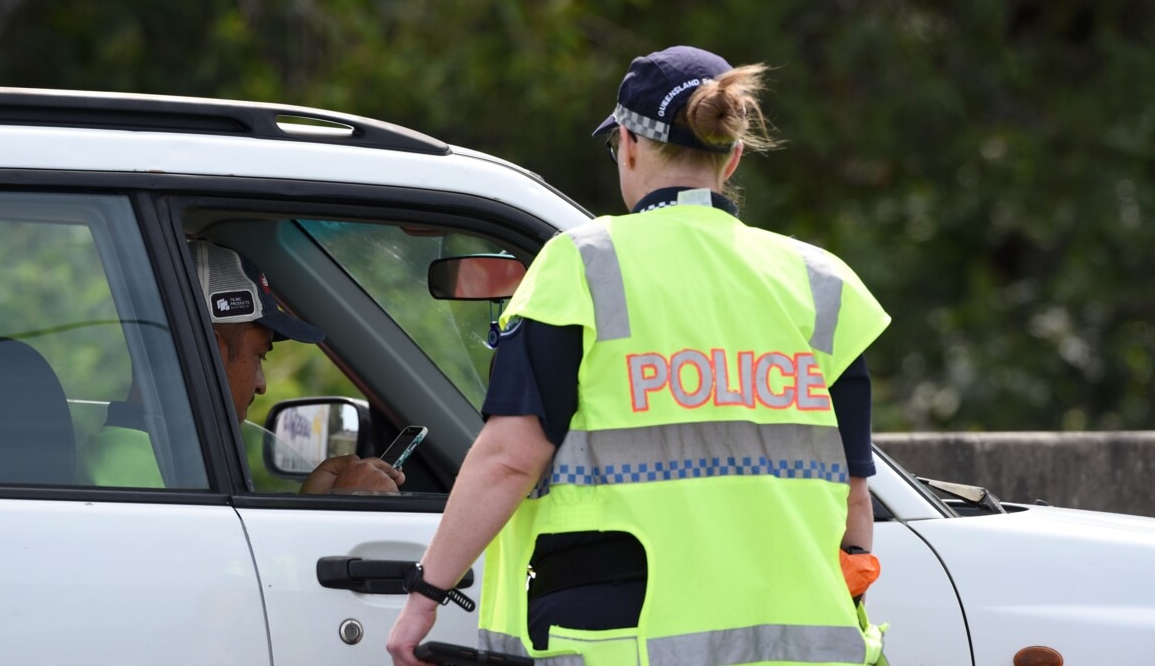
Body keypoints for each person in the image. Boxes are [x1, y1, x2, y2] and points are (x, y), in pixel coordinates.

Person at [387, 45, 890, 665]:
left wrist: (425, 593)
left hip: (624, 641)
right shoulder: (820, 282)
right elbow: (855, 498)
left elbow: (509, 459)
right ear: (731, 158)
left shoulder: (584, 265)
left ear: (626, 144)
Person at [82, 240, 403, 494]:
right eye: (259, 355)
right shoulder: (132, 478)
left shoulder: (159, 459)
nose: (262, 384)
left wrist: (313, 503)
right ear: (209, 350)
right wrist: (346, 507)